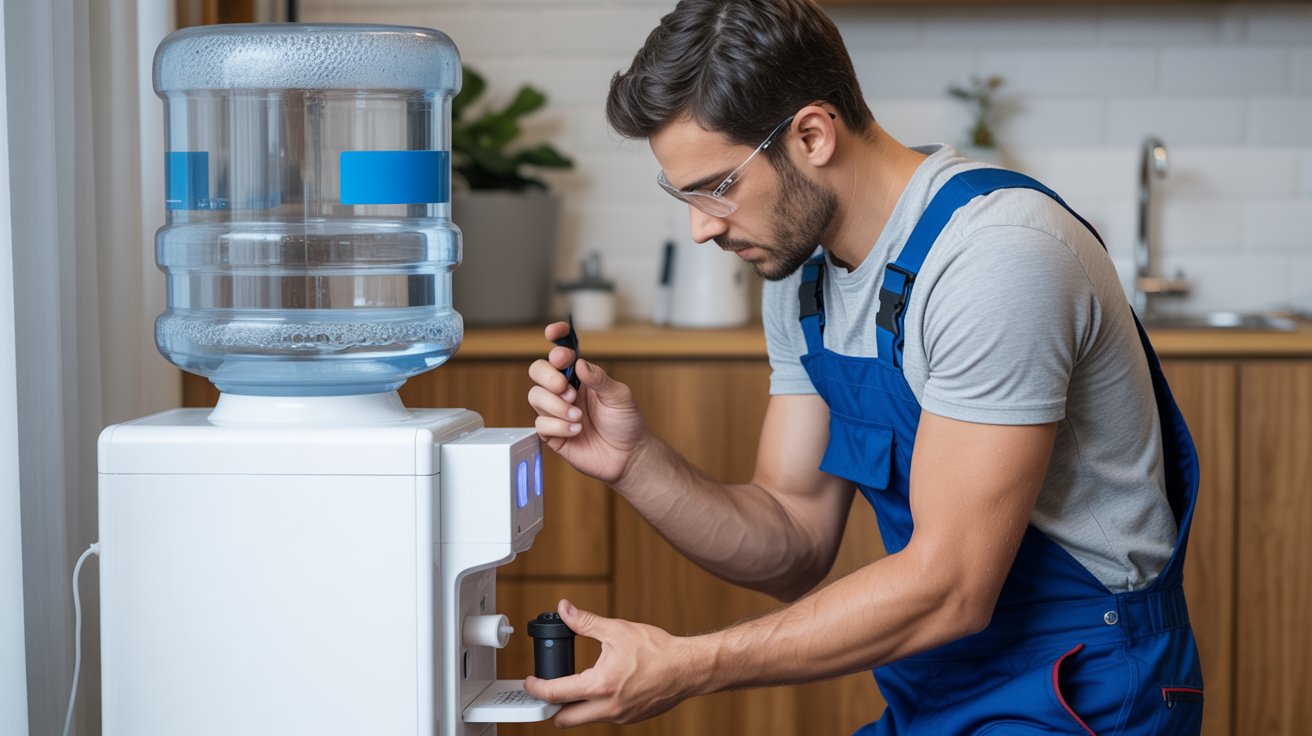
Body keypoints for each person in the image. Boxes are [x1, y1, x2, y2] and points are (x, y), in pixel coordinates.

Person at [523, 1, 1204, 733]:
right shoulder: (804, 282)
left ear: (813, 134)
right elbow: (792, 543)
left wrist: (691, 664)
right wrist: (635, 462)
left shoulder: (996, 257)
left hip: (1083, 686)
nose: (700, 227)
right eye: (682, 194)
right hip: (939, 686)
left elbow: (949, 586)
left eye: (717, 187)